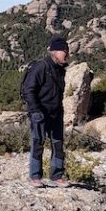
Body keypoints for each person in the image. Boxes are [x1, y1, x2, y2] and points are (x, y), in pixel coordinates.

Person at [22, 37, 70, 186]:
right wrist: (35, 110)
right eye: (64, 51)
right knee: (38, 144)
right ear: (54, 52)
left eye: (67, 51)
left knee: (58, 145)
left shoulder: (60, 69)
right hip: (40, 113)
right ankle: (35, 177)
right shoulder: (41, 67)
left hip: (55, 114)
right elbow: (28, 90)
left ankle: (57, 177)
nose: (67, 54)